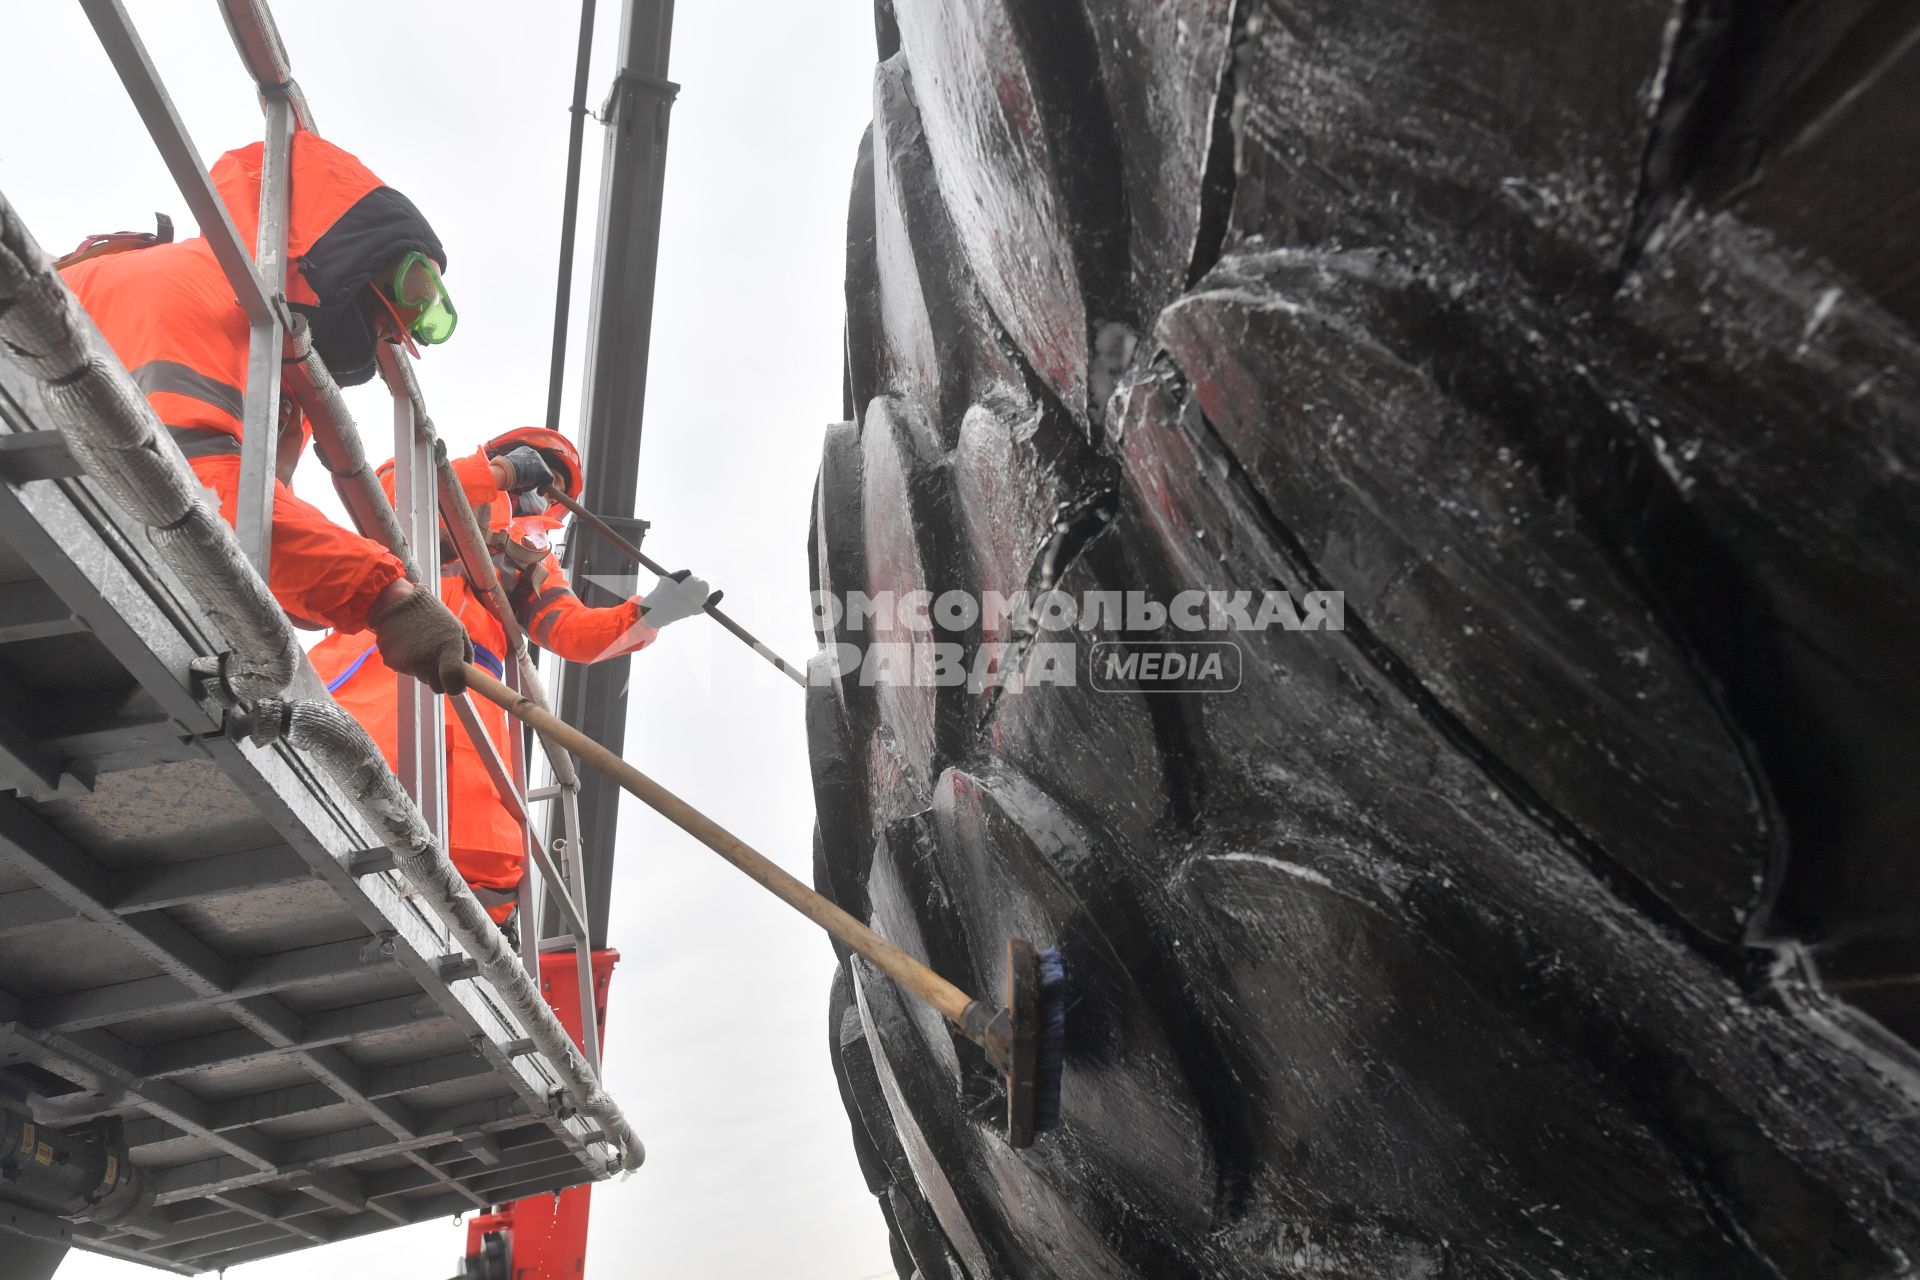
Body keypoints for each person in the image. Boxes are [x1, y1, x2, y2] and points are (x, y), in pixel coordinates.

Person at [61, 132, 471, 693]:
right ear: (340, 256)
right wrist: (384, 593)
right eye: (385, 315)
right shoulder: (196, 292)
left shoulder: (269, 366)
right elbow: (198, 490)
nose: (383, 336)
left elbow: (251, 548)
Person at [310, 427, 710, 923]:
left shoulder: (534, 554)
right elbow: (387, 500)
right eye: (537, 466)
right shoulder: (435, 479)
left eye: (552, 480)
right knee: (334, 758)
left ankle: (461, 917)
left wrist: (649, 612)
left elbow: (572, 632)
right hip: (375, 656)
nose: (539, 484)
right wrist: (495, 474)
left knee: (471, 840)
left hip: (465, 690)